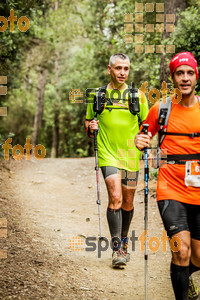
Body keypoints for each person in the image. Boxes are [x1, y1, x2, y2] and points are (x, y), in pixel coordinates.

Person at [135, 51, 200, 299]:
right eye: (179, 73)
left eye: (189, 73)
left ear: (196, 76)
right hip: (170, 188)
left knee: (196, 257)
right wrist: (140, 142)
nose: (185, 78)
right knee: (181, 251)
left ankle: (184, 276)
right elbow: (143, 137)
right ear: (172, 78)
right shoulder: (161, 109)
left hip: (199, 189)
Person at [85, 53, 148, 268]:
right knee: (115, 196)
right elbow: (88, 121)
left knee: (128, 201)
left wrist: (144, 138)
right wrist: (90, 127)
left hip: (130, 154)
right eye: (118, 68)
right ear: (109, 69)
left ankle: (122, 240)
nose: (122, 72)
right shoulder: (99, 95)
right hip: (107, 151)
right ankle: (117, 250)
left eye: (126, 69)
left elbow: (147, 126)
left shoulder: (137, 96)